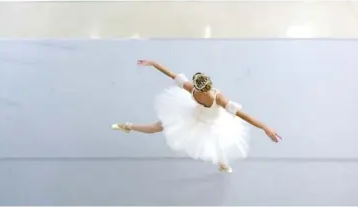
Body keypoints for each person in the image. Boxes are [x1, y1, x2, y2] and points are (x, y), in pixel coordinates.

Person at [112, 60, 281, 174]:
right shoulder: (207, 94)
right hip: (197, 118)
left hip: (205, 120)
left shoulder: (200, 92)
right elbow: (244, 116)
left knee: (215, 141)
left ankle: (128, 126)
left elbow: (171, 74)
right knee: (214, 140)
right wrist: (265, 127)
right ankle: (129, 126)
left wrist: (153, 63)